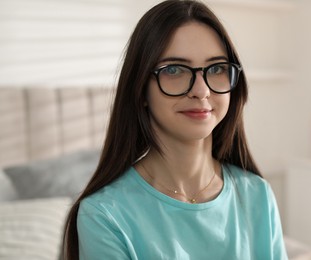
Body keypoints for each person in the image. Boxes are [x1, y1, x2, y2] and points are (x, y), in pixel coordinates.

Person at [63, 0, 287, 259]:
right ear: (140, 88)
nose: (201, 91)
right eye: (174, 70)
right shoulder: (103, 215)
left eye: (216, 69)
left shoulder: (257, 194)